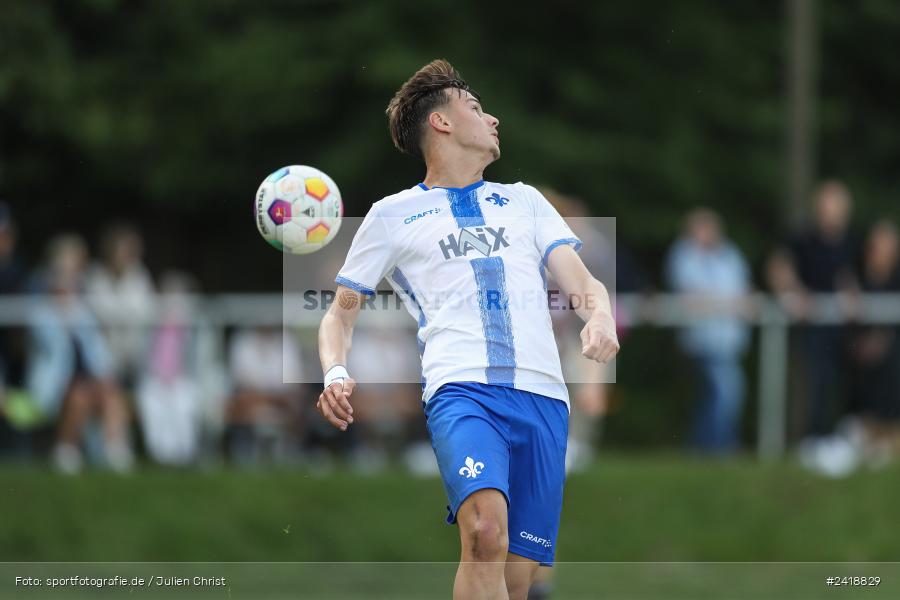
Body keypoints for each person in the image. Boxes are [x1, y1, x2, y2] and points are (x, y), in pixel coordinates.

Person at [315, 60, 619, 599]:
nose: (494, 119)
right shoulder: (392, 215)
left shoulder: (525, 200)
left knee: (518, 580)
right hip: (461, 390)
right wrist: (335, 370)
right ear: (442, 123)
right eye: (477, 108)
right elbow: (339, 312)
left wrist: (598, 316)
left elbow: (584, 283)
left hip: (544, 398)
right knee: (483, 533)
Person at [26, 235, 132, 473]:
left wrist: (103, 377)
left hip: (89, 381)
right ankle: (66, 451)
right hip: (56, 384)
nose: (68, 284)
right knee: (78, 394)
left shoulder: (83, 312)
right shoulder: (41, 313)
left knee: (111, 391)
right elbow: (55, 356)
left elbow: (98, 355)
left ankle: (115, 450)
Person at [767, 181, 859, 437]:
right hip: (812, 325)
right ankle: (813, 439)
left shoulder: (851, 241)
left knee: (844, 383)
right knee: (817, 382)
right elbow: (779, 268)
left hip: (844, 326)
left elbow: (850, 277)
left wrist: (852, 293)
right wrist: (795, 292)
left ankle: (844, 438)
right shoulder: (802, 238)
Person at [666, 209, 751, 453]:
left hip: (730, 340)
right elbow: (692, 295)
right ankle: (718, 447)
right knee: (726, 392)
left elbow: (742, 292)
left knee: (717, 395)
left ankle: (704, 447)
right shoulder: (684, 255)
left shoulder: (729, 255)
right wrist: (725, 303)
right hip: (702, 340)